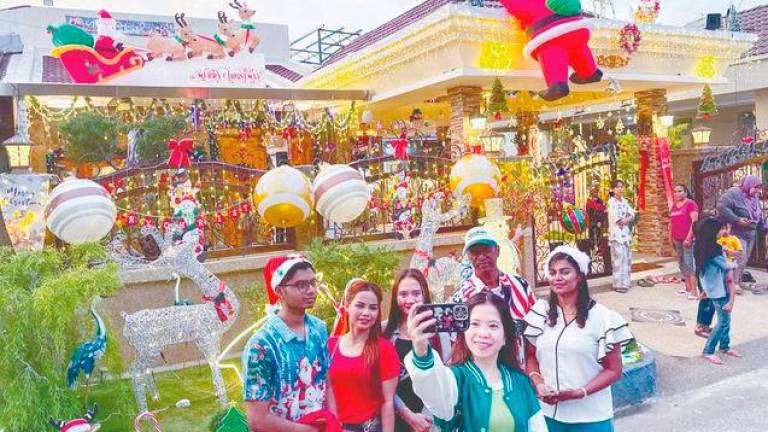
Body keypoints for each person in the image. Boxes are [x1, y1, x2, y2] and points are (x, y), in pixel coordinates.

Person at [524, 245, 633, 432]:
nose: (557, 277)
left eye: (565, 272)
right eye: (552, 272)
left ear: (580, 276)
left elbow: (614, 369)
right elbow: (531, 357)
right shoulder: (540, 313)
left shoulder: (603, 318)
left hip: (591, 417)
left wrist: (580, 392)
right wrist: (539, 383)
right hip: (548, 414)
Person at [405, 291, 547, 432]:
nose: (483, 333)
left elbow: (537, 426)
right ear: (463, 331)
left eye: (493, 326)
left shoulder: (520, 381)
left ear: (505, 336)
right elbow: (433, 392)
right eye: (474, 324)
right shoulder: (455, 379)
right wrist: (421, 349)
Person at [243, 255, 340, 432]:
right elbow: (257, 420)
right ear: (280, 291)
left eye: (313, 282)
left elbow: (326, 381)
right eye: (301, 285)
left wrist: (334, 423)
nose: (311, 290)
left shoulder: (318, 328)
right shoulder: (262, 345)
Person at [383, 269, 452, 432]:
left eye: (416, 293)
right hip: (394, 418)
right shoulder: (384, 331)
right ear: (395, 297)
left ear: (425, 294)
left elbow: (445, 376)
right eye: (403, 294)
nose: (410, 300)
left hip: (431, 421)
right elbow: (380, 383)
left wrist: (427, 419)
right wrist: (408, 415)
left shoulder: (439, 333)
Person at [329, 280, 400, 432]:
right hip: (334, 427)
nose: (366, 313)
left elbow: (388, 402)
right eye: (360, 305)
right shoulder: (329, 346)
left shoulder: (384, 349)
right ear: (347, 305)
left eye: (373, 308)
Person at [450, 226, 536, 320]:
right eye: (475, 252)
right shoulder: (461, 298)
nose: (482, 256)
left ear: (498, 251)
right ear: (468, 256)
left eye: (486, 250)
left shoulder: (520, 285)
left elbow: (537, 322)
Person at [694, 218, 742, 365]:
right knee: (723, 321)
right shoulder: (714, 250)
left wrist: (703, 290)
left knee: (726, 319)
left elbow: (700, 272)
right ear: (712, 232)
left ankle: (725, 346)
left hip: (711, 287)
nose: (723, 232)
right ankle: (708, 350)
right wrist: (733, 260)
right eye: (721, 229)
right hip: (719, 290)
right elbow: (728, 266)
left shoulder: (702, 246)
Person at [716, 175, 764, 295]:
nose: (757, 191)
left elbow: (758, 213)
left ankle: (737, 279)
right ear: (748, 184)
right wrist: (736, 219)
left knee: (745, 258)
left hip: (751, 232)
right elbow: (721, 206)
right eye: (755, 188)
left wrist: (761, 225)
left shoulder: (754, 197)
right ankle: (734, 283)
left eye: (759, 188)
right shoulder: (734, 193)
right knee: (740, 256)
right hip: (737, 231)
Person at [669, 184, 699, 300]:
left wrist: (689, 238)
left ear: (685, 192)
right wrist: (670, 237)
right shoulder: (674, 206)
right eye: (675, 191)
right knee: (681, 262)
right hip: (677, 239)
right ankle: (687, 288)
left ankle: (694, 291)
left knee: (689, 263)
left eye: (679, 191)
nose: (677, 193)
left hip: (687, 239)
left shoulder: (690, 204)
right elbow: (671, 223)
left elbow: (694, 222)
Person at [607, 180, 636, 293]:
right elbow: (618, 219)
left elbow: (632, 213)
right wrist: (626, 219)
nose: (620, 189)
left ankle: (626, 283)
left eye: (622, 187)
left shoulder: (624, 201)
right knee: (618, 259)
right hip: (616, 235)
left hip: (626, 235)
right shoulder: (611, 202)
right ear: (613, 189)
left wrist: (627, 219)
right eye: (618, 187)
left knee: (626, 258)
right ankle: (618, 284)